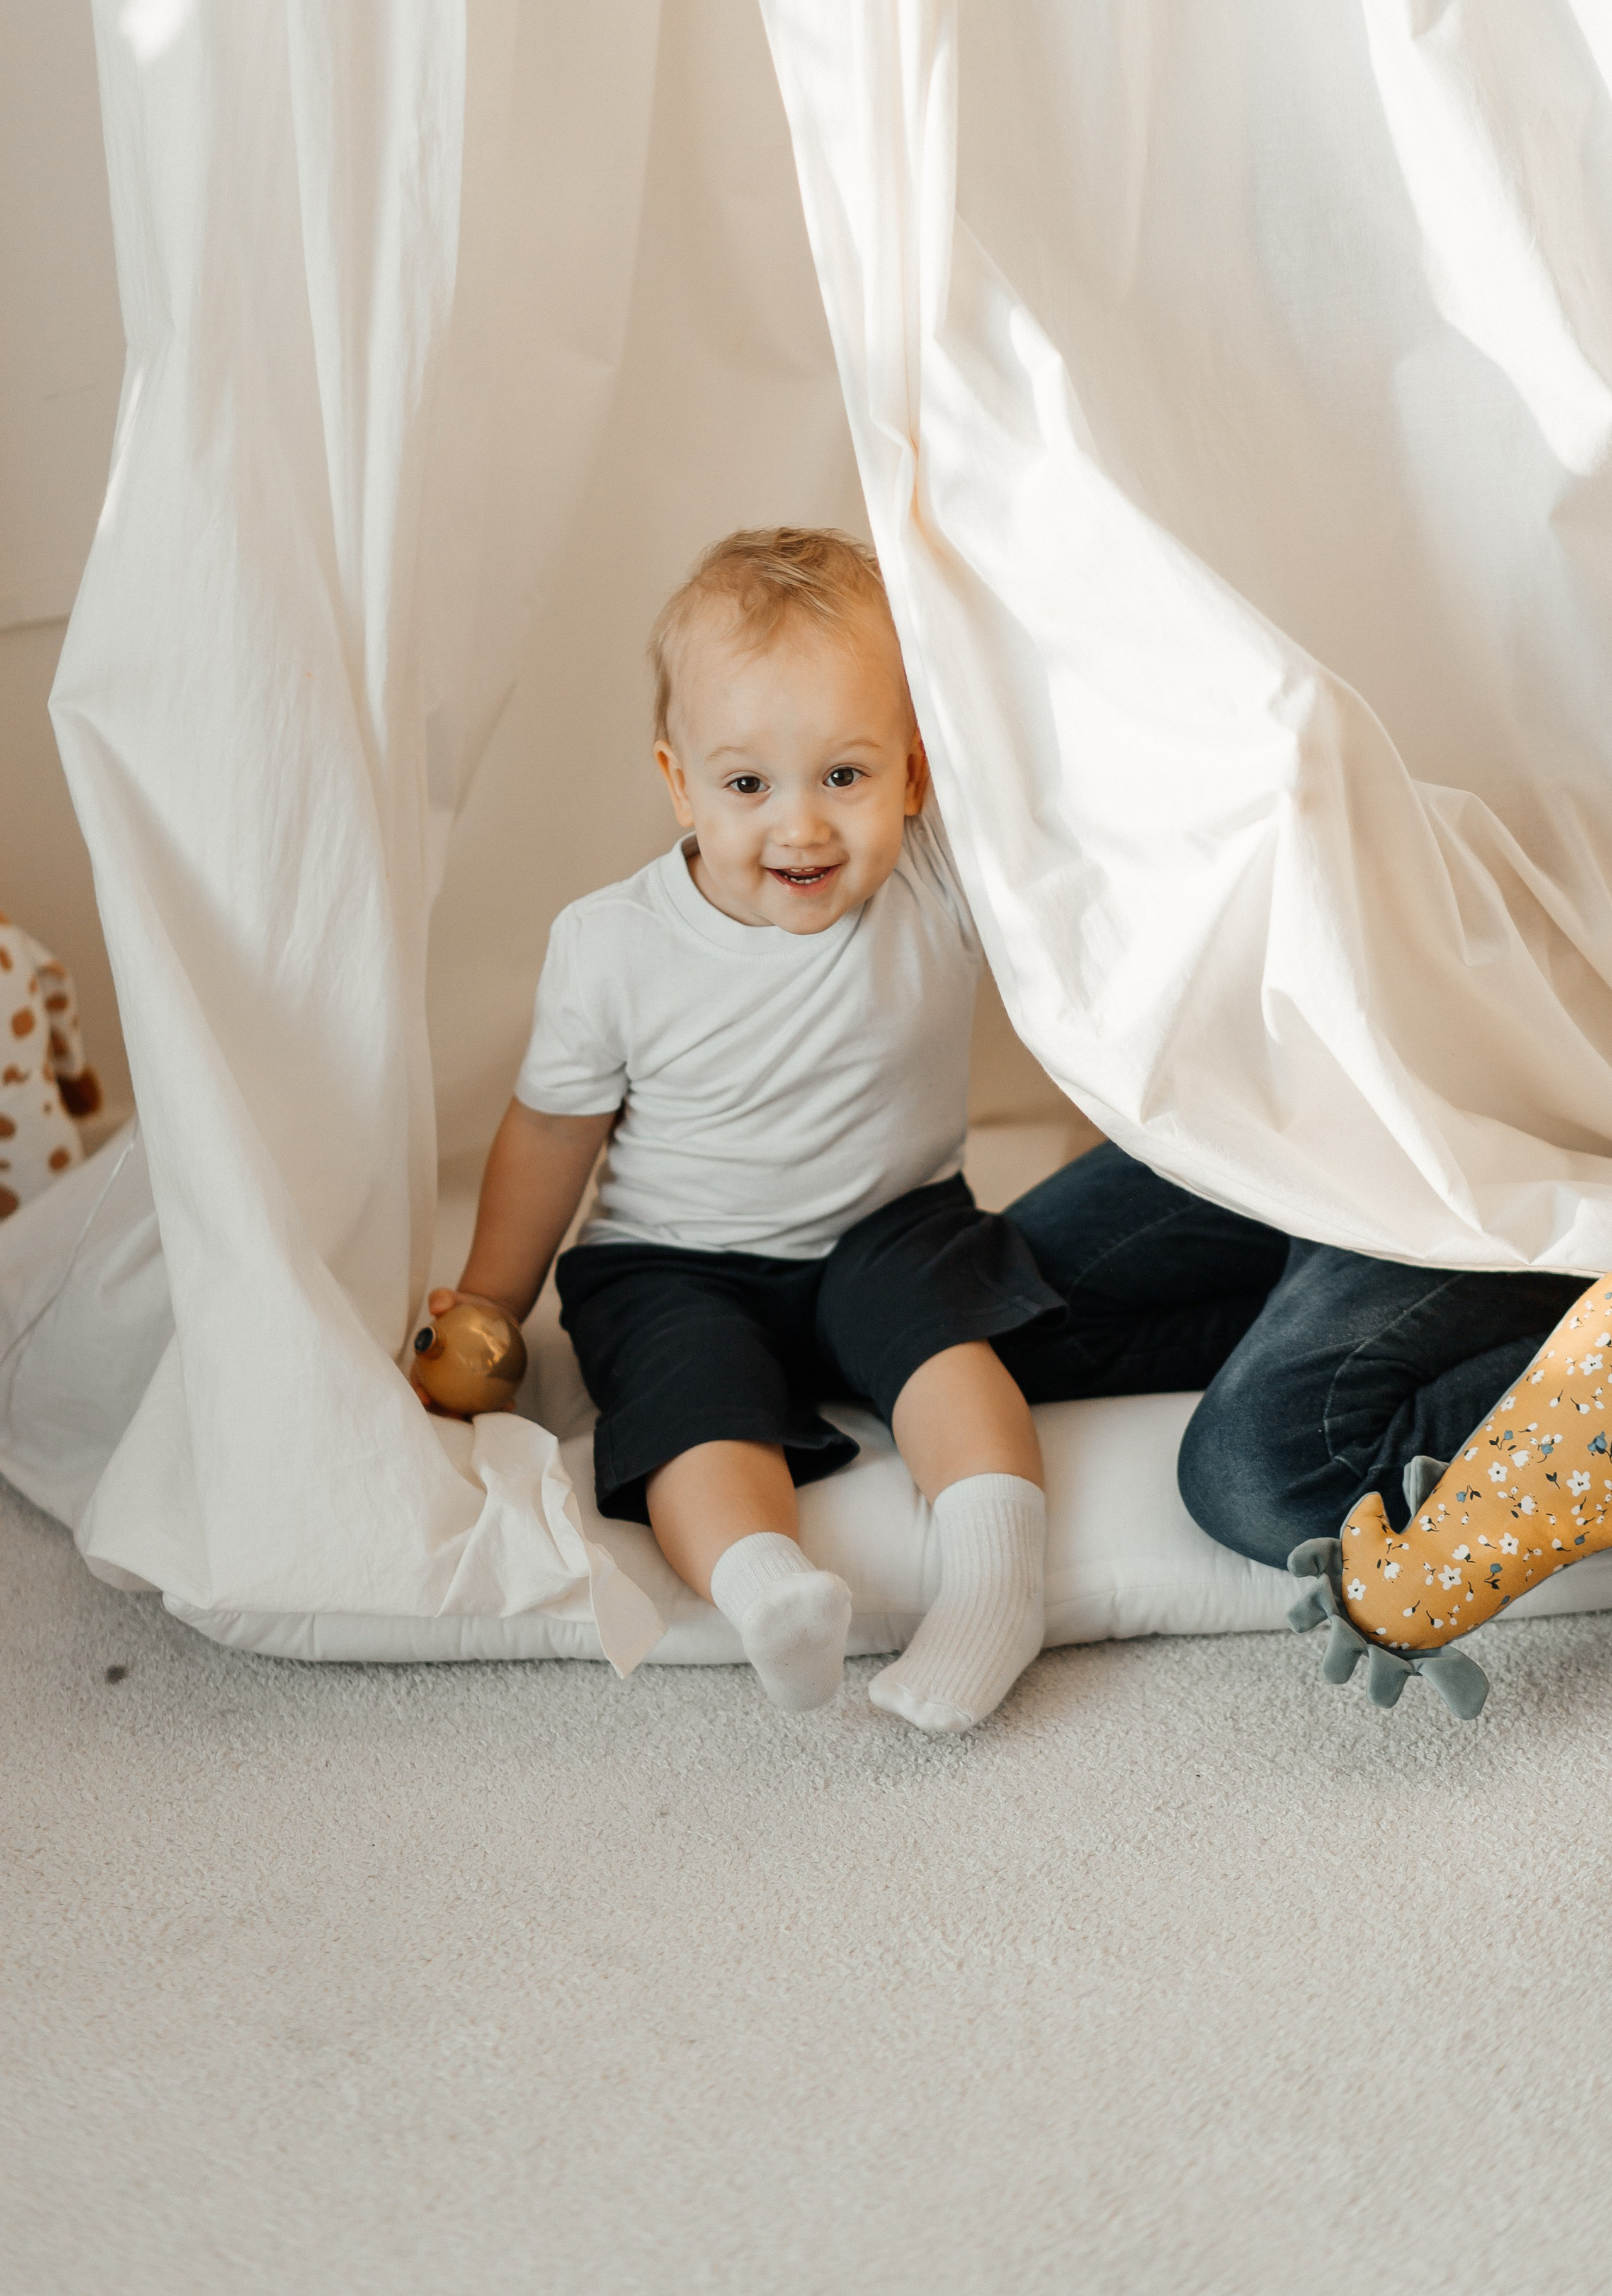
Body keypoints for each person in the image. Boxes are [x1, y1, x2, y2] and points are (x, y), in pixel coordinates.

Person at [423, 528, 1060, 1731]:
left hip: (889, 1227)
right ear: (679, 783)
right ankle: (769, 1587)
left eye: (845, 775)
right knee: (685, 1408)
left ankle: (993, 1586)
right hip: (675, 1257)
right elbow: (553, 1131)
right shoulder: (612, 945)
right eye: (748, 784)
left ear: (917, 774)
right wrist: (491, 1303)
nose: (802, 828)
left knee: (946, 1345)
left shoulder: (939, 878)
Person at [995, 1144, 1587, 1571]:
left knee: (1279, 1481)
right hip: (1329, 1104)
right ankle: (1325, 1300)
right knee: (999, 1310)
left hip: (1527, 1139)